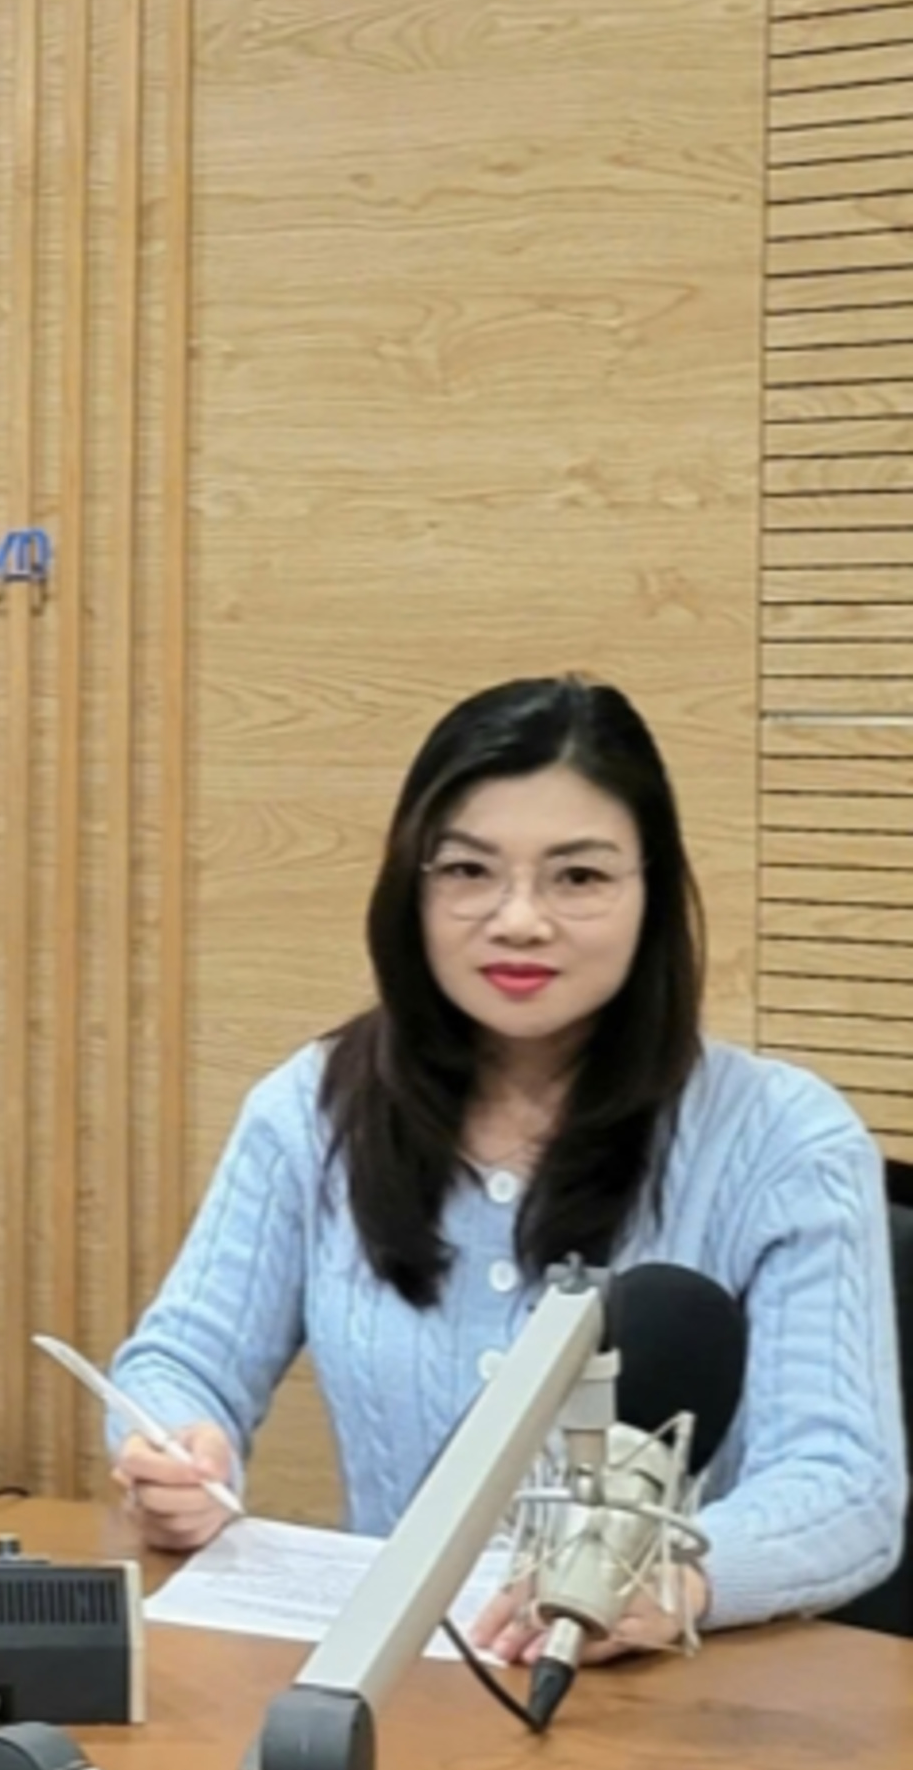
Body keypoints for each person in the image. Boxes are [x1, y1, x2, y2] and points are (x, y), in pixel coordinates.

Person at [108, 676, 905, 1653]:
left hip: (668, 1696)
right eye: (468, 871)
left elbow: (843, 1487)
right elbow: (180, 1363)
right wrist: (179, 1451)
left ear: (652, 893)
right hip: (398, 1687)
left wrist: (670, 1581)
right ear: (412, 889)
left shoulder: (785, 1140)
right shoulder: (311, 1109)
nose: (519, 919)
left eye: (579, 878)